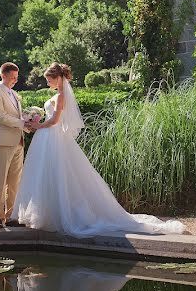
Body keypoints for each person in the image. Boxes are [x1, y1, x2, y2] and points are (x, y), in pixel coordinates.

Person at [11, 62, 186, 238]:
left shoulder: (62, 95)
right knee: (46, 174)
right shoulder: (58, 94)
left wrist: (37, 125)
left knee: (57, 175)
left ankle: (57, 216)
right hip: (48, 137)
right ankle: (46, 214)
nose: (48, 83)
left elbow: (55, 120)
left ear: (58, 78)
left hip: (52, 136)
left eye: (49, 80)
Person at [0, 62, 31, 228]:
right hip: (2, 143)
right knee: (0, 180)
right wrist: (21, 122)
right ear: (3, 75)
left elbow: (16, 117)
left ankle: (11, 216)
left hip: (18, 142)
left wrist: (28, 123)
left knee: (15, 182)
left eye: (16, 78)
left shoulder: (14, 94)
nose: (15, 80)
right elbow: (0, 117)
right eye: (12, 77)